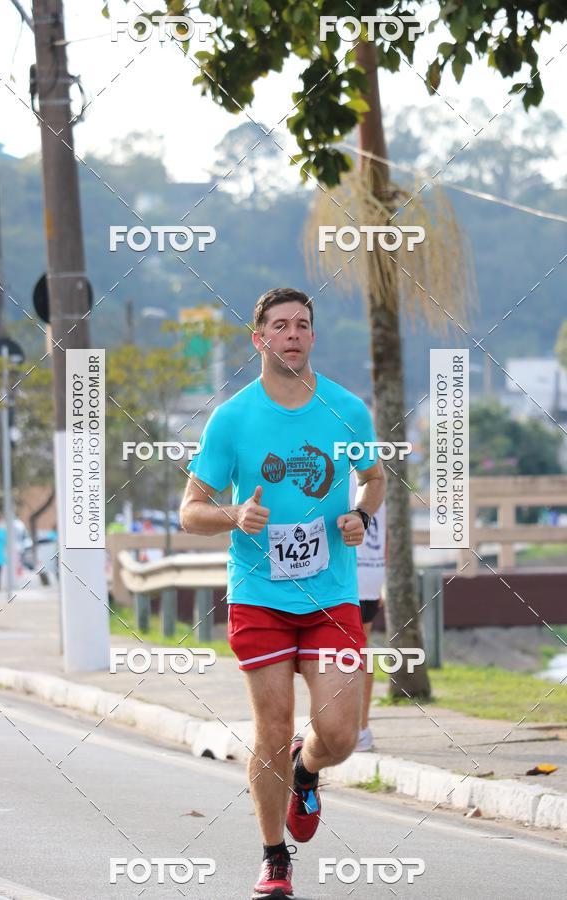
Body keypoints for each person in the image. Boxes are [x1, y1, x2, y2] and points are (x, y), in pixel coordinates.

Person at [180, 287, 386, 899]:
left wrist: (361, 516)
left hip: (331, 597)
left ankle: (307, 766)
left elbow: (373, 480)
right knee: (270, 727)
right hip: (259, 594)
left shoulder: (347, 410)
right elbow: (191, 512)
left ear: (312, 336)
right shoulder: (233, 418)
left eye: (303, 324)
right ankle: (275, 857)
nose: (293, 334)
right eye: (280, 325)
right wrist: (234, 515)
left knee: (341, 736)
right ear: (260, 338)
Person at [349, 469, 387, 752]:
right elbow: (387, 532)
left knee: (351, 652)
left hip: (350, 575)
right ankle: (360, 727)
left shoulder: (339, 473)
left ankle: (358, 729)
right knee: (360, 649)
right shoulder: (377, 475)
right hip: (372, 573)